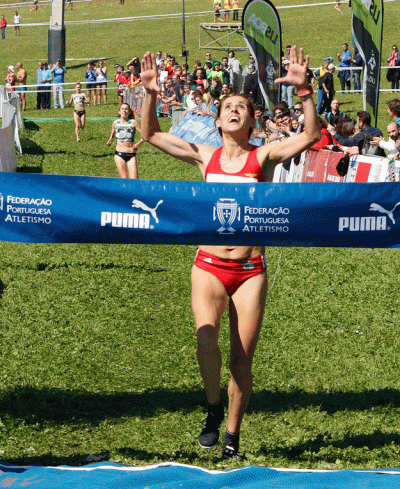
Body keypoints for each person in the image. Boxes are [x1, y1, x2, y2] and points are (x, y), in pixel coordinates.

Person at [140, 45, 319, 461]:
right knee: (206, 341)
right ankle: (213, 407)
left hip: (250, 270)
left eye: (243, 107)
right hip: (208, 266)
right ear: (217, 120)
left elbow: (310, 136)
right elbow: (149, 135)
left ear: (252, 121)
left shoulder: (264, 155)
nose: (235, 110)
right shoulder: (206, 156)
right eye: (228, 107)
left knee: (241, 360)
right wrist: (150, 94)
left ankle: (232, 436)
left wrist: (305, 91)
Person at [108, 103, 143, 179]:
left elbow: (145, 136)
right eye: (122, 109)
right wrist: (110, 141)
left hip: (131, 154)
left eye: (126, 109)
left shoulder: (133, 122)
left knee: (134, 180)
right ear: (119, 111)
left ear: (129, 112)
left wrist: (137, 144)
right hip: (119, 154)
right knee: (124, 179)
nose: (124, 111)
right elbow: (112, 135)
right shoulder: (115, 123)